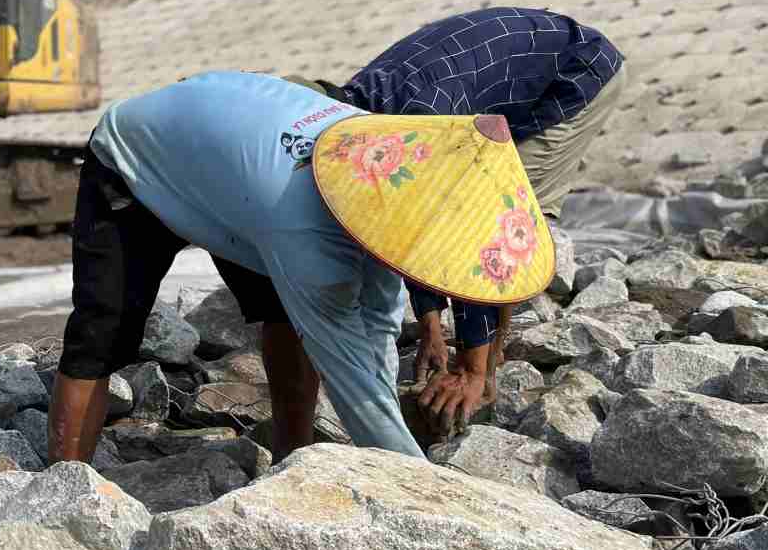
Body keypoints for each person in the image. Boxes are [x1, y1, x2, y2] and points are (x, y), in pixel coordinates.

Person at [46, 71, 553, 466]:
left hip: (229, 158)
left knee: (284, 311)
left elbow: (378, 318)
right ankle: (63, 489)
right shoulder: (307, 235)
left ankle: (293, 460)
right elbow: (353, 382)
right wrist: (419, 487)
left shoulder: (386, 163)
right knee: (104, 330)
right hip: (135, 160)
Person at [289, 6, 627, 425]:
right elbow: (410, 220)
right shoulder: (364, 109)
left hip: (577, 72)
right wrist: (430, 324)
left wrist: (468, 365)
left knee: (509, 215)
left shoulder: (422, 120)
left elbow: (474, 229)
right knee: (440, 205)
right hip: (504, 71)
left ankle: (484, 370)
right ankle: (484, 350)